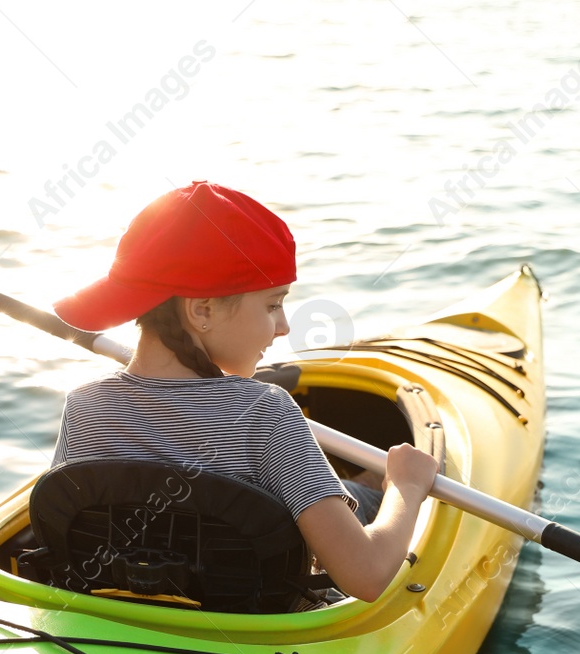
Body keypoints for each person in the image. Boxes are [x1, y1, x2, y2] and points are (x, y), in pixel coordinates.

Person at [50, 180, 438, 603]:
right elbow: (366, 577)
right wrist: (406, 486)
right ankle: (372, 482)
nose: (284, 326)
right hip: (264, 629)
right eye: (273, 304)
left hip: (127, 616)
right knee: (370, 497)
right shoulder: (265, 412)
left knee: (350, 492)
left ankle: (359, 483)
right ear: (202, 310)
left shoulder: (85, 406)